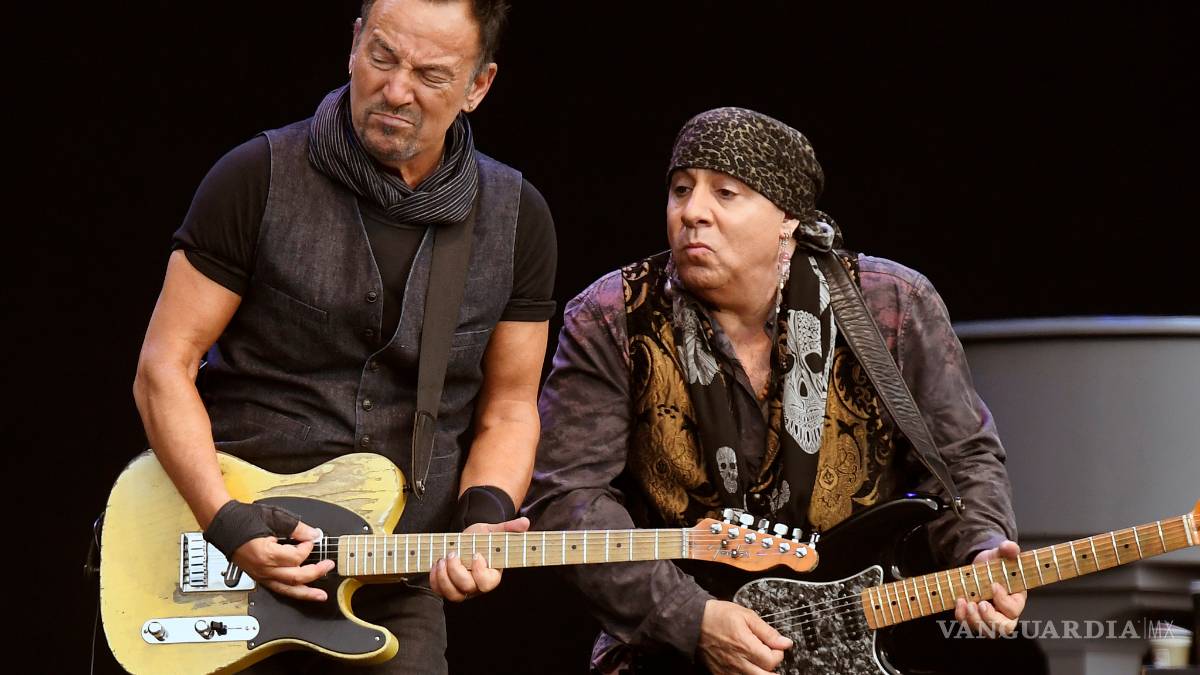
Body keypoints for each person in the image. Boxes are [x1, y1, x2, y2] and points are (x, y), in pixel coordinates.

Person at [523, 107, 1038, 674]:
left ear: (787, 219)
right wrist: (689, 616)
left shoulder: (890, 305)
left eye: (726, 193)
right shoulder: (611, 315)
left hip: (858, 645)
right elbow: (567, 498)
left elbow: (961, 460)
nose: (692, 212)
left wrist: (980, 550)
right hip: (667, 649)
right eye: (680, 189)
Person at [131, 0, 554, 672]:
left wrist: (483, 517)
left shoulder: (518, 219)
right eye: (382, 57)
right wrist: (226, 521)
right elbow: (164, 366)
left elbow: (509, 406)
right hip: (225, 549)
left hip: (394, 580)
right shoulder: (255, 176)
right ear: (355, 43)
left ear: (479, 85)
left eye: (431, 75)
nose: (396, 90)